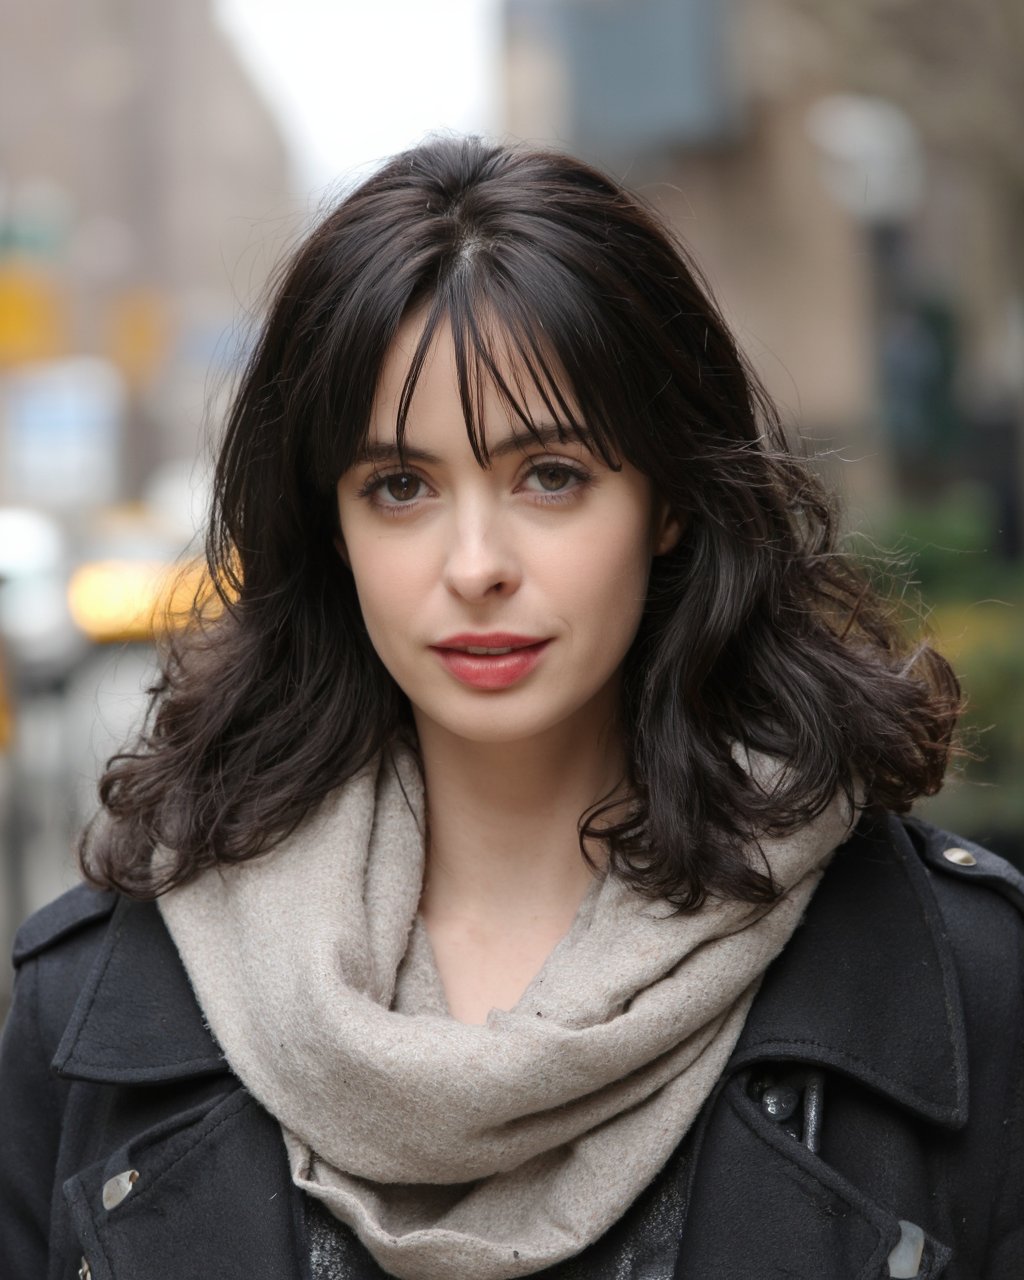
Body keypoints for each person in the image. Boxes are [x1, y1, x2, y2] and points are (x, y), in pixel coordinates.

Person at [1, 136, 1022, 1280]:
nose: (476, 562)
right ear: (329, 530)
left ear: (669, 500)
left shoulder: (959, 979)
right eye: (400, 486)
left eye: (550, 475)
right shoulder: (95, 1003)